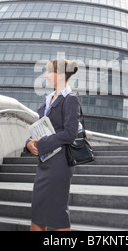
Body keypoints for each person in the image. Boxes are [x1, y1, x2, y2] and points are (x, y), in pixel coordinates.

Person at [26, 58, 81, 231]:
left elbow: (70, 134)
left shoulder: (70, 99)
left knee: (57, 214)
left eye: (49, 72)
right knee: (37, 213)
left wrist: (41, 144)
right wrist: (29, 143)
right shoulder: (48, 101)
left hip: (60, 163)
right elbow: (38, 129)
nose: (46, 75)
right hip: (45, 162)